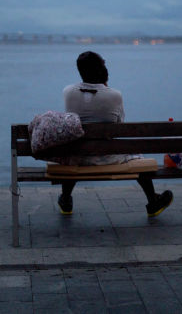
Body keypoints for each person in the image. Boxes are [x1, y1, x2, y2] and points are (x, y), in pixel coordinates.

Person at [58, 51, 173, 217]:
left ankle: (66, 199)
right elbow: (119, 125)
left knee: (74, 151)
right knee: (136, 156)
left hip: (77, 156)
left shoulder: (68, 92)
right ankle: (153, 202)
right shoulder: (115, 95)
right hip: (107, 155)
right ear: (101, 70)